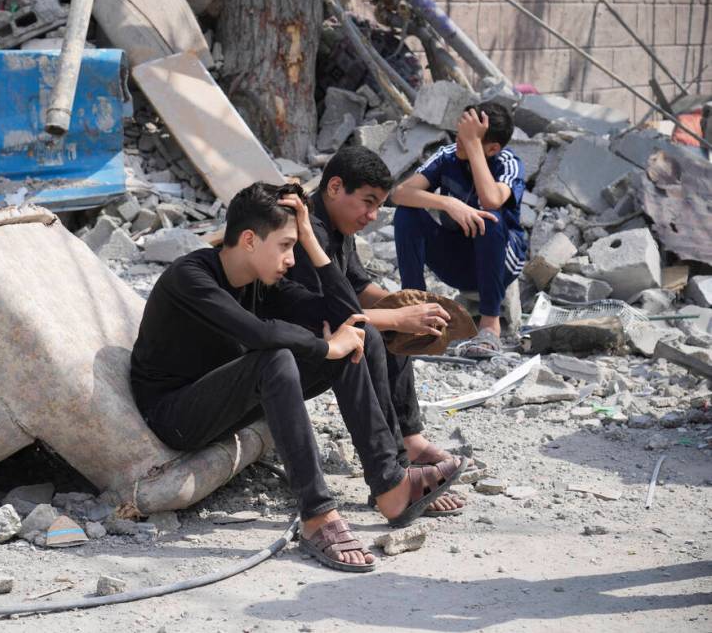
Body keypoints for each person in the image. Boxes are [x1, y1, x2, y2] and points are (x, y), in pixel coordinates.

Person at [130, 181, 464, 572]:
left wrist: (308, 237)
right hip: (176, 415)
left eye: (295, 246)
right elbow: (259, 334)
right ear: (251, 240)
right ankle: (317, 516)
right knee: (276, 360)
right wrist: (325, 348)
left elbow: (345, 315)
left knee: (363, 336)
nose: (292, 259)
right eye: (286, 246)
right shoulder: (190, 277)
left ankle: (389, 484)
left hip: (226, 399)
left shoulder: (262, 282)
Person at [275, 145, 467, 515]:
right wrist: (396, 318)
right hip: (290, 349)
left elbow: (357, 289)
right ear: (334, 188)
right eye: (367, 202)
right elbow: (328, 315)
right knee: (373, 336)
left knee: (397, 327)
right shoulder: (306, 230)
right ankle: (392, 474)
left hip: (319, 328)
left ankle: (407, 446)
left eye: (378, 205)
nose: (372, 215)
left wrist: (405, 305)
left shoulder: (339, 225)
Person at [391, 101, 527, 357]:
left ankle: (490, 326)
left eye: (467, 138)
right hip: (457, 262)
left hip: (501, 262)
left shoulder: (508, 163)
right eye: (459, 134)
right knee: (407, 214)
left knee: (489, 217)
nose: (458, 142)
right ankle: (416, 309)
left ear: (492, 148)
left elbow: (491, 200)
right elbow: (399, 194)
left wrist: (474, 145)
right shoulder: (448, 156)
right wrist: (447, 202)